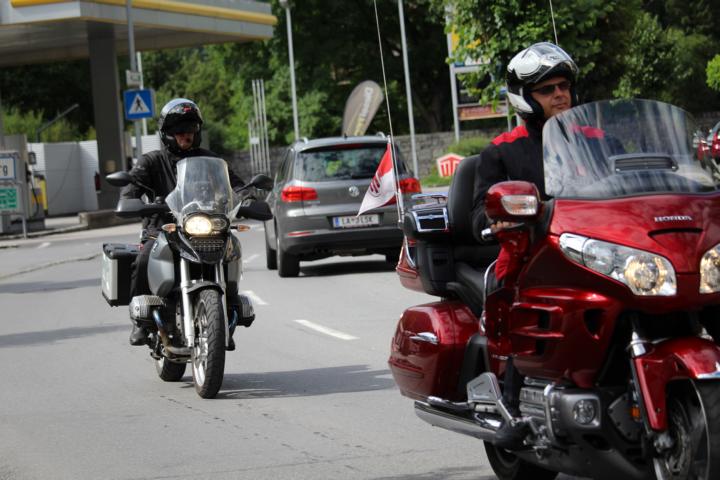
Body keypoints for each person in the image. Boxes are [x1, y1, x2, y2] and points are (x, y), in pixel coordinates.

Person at [469, 42, 579, 448]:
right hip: (532, 254)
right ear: (525, 98)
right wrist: (503, 217)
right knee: (517, 295)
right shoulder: (502, 151)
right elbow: (479, 215)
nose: (560, 95)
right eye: (547, 89)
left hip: (595, 249)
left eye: (563, 86)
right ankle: (514, 407)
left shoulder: (596, 139)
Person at [121, 98, 245, 346]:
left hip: (203, 228)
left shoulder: (211, 161)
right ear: (167, 133)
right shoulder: (151, 162)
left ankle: (230, 310)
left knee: (231, 251)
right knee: (144, 257)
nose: (185, 134)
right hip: (161, 229)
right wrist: (131, 200)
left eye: (190, 128)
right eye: (179, 129)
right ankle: (141, 321)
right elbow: (130, 189)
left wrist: (247, 195)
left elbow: (236, 186)